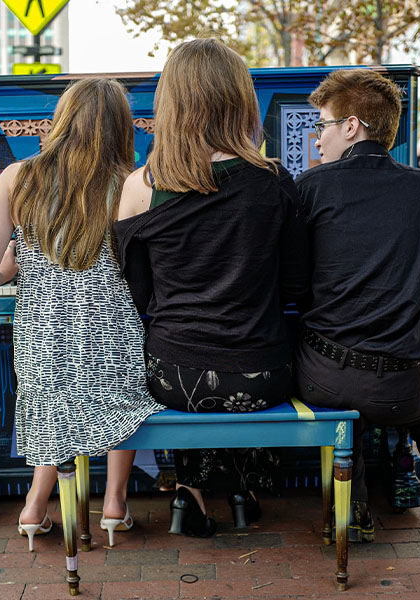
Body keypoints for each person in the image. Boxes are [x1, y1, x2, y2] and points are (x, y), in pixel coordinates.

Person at [115, 38, 308, 537]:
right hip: (262, 375)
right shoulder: (275, 180)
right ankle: (245, 489)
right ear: (239, 99)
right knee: (236, 362)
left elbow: (133, 296)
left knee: (185, 362)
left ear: (171, 103)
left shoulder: (141, 185)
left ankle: (190, 494)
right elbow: (295, 284)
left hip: (173, 377)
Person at [0, 78, 163, 551]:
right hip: (112, 333)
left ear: (61, 120)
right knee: (121, 402)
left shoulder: (19, 177)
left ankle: (34, 507)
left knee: (55, 406)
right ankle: (115, 503)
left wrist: (17, 258)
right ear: (121, 128)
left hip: (44, 337)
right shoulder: (131, 183)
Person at [293, 68, 420, 562]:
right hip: (403, 380)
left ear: (351, 127)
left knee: (346, 407)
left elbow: (295, 288)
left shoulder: (311, 188)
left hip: (325, 377)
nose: (317, 137)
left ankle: (355, 512)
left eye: (322, 124)